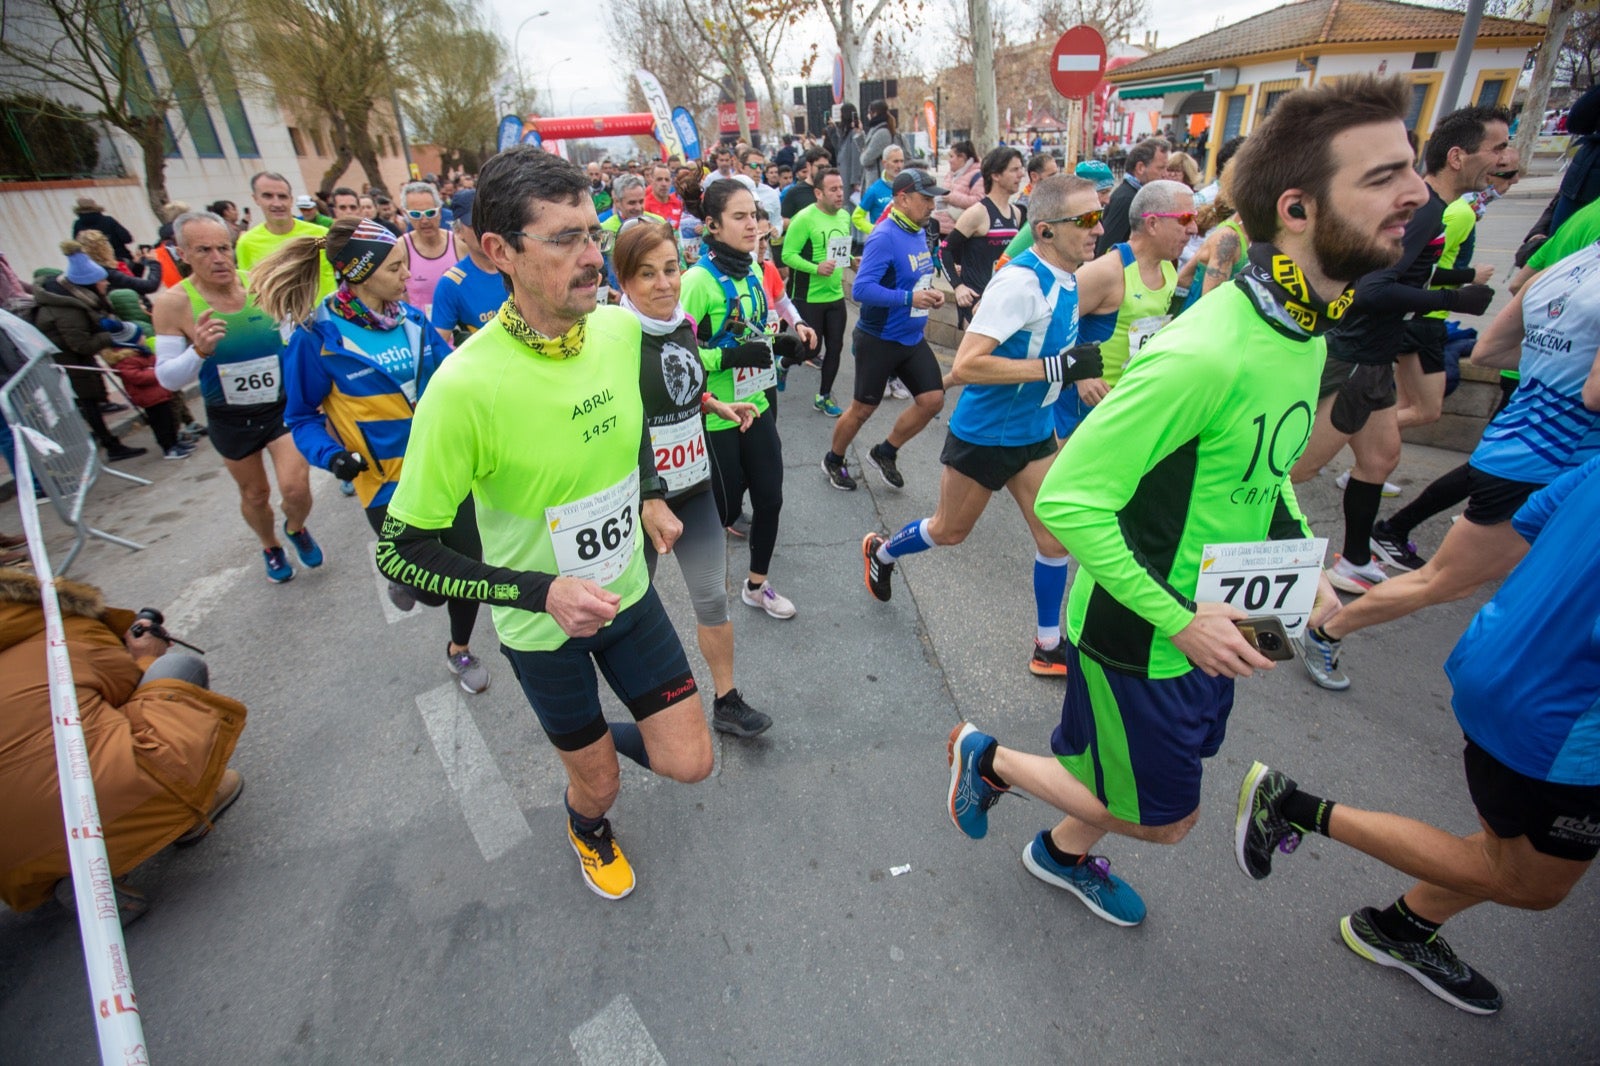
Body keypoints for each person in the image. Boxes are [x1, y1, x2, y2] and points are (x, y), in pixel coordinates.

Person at [942, 75, 1422, 928]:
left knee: (1144, 770)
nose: (1416, 195)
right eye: (1383, 177)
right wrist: (1178, 620)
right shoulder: (1208, 352)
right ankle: (990, 760)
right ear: (1298, 209)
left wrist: (1302, 564)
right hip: (1147, 630)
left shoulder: (1305, 329)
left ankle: (1059, 851)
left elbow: (1264, 470)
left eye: (1411, 169)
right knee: (1168, 818)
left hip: (1221, 618)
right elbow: (1076, 500)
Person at [374, 146, 714, 899]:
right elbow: (400, 555)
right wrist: (540, 592)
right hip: (543, 628)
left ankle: (592, 744)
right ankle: (585, 817)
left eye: (592, 233)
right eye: (564, 240)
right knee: (599, 789)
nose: (593, 258)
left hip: (628, 595)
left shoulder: (621, 332)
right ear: (498, 250)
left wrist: (651, 492)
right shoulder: (463, 389)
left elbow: (631, 435)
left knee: (692, 762)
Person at [1240, 452, 1600, 1015]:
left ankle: (1402, 928)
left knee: (1506, 851)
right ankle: (1294, 807)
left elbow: (1534, 522)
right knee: (1532, 883)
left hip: (1501, 663)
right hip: (1562, 723)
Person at [1298, 237, 1600, 689]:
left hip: (1519, 442)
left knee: (1382, 462)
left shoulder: (1564, 267)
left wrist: (1553, 374)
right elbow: (1594, 394)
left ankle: (1357, 557)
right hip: (1550, 460)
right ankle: (1326, 627)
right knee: (1449, 581)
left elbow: (1488, 353)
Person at [863, 174, 1105, 678]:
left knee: (1055, 541)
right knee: (949, 532)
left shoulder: (1068, 277)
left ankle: (1047, 645)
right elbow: (971, 363)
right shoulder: (1020, 283)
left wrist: (1077, 375)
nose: (1097, 229)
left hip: (1035, 433)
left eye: (1099, 216)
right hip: (985, 435)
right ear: (1045, 230)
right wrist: (1058, 370)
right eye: (1085, 220)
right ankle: (883, 552)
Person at [249, 217, 489, 693]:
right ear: (359, 272)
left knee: (468, 566)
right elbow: (300, 417)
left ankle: (458, 651)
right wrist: (333, 458)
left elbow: (453, 383)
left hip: (446, 468)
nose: (408, 276)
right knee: (432, 589)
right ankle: (397, 573)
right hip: (384, 483)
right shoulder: (317, 337)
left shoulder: (413, 321)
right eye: (396, 267)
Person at [1289, 105, 1509, 595]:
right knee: (1297, 471)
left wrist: (1457, 277)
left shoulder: (1432, 208)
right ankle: (1233, 556)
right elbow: (1372, 289)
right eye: (1497, 147)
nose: (1504, 157)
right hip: (1356, 357)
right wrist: (1453, 299)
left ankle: (1356, 558)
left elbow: (1403, 271)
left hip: (1378, 355)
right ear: (1458, 156)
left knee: (1381, 458)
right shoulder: (1428, 209)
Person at [0, 567, 247, 924]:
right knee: (176, 670)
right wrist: (147, 653)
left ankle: (71, 871)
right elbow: (131, 685)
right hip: (107, 800)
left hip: (13, 866)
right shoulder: (60, 627)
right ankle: (187, 814)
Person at [613, 221, 772, 736]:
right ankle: (639, 715)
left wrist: (714, 403)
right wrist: (646, 495)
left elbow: (683, 384)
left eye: (671, 269)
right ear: (624, 281)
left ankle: (726, 701)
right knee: (626, 609)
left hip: (693, 486)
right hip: (642, 501)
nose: (664, 284)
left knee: (712, 598)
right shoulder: (615, 339)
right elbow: (619, 422)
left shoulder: (678, 322)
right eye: (647, 275)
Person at [153, 212, 324, 583]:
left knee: (296, 487)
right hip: (230, 417)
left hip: (280, 408)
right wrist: (196, 352)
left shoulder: (259, 286)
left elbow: (294, 336)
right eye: (203, 250)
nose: (218, 258)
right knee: (256, 493)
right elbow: (167, 378)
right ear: (182, 253)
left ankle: (295, 527)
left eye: (223, 247)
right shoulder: (174, 303)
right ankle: (270, 545)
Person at [683, 179, 808, 620]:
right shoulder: (697, 282)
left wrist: (781, 344)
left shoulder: (754, 269)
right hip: (717, 418)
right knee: (726, 508)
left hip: (757, 405)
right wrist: (729, 356)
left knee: (770, 498)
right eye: (739, 217)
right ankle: (708, 591)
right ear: (713, 226)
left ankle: (757, 585)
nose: (752, 224)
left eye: (753, 215)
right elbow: (677, 354)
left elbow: (757, 329)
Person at [826, 169, 948, 492]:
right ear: (902, 199)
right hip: (879, 339)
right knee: (863, 408)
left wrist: (929, 294)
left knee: (933, 400)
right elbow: (862, 290)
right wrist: (910, 297)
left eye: (934, 198)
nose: (932, 205)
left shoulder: (920, 230)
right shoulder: (884, 236)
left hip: (910, 338)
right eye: (926, 198)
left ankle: (885, 452)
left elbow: (914, 277)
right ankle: (834, 459)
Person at [1053, 180, 1193, 439]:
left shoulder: (1168, 269)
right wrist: (1080, 374)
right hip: (1082, 409)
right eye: (1185, 219)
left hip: (1127, 405)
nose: (1193, 229)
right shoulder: (1107, 271)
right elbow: (1051, 323)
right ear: (1152, 223)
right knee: (1058, 480)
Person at [30, 245, 147, 461]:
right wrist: (110, 336)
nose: (106, 283)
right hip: (66, 362)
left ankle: (104, 442)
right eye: (102, 280)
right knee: (88, 402)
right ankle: (110, 445)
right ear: (90, 284)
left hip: (71, 359)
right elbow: (80, 344)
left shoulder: (74, 298)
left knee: (90, 401)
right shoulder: (68, 308)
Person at [782, 167, 856, 418]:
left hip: (835, 295)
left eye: (841, 188)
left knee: (835, 348)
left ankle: (823, 397)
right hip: (808, 296)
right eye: (833, 190)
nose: (839, 194)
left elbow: (839, 250)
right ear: (818, 193)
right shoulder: (804, 219)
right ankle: (783, 363)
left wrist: (850, 260)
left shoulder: (845, 216)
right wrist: (816, 267)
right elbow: (787, 255)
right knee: (812, 351)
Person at [945, 147, 1026, 330]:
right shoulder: (977, 213)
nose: (1021, 175)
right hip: (976, 301)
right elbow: (945, 250)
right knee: (974, 358)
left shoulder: (1016, 213)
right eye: (1014, 170)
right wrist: (958, 287)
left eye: (1021, 169)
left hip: (1002, 299)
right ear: (995, 175)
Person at [236, 172, 338, 296]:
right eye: (268, 196)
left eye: (282, 196)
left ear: (291, 199)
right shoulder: (246, 243)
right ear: (256, 199)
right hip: (278, 314)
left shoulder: (321, 234)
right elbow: (252, 291)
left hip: (325, 313)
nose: (277, 203)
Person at [429, 191, 503, 348]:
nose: (484, 230)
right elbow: (437, 345)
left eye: (488, 221)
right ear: (458, 231)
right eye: (474, 224)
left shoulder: (521, 265)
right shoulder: (451, 284)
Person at [1096, 137, 1170, 256]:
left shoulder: (1135, 195)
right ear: (1140, 168)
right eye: (1161, 168)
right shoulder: (1127, 199)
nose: (1166, 174)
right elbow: (1106, 250)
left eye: (1167, 168)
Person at [399, 181, 461, 315]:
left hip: (461, 329)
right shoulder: (401, 248)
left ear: (439, 211)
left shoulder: (458, 244)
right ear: (406, 214)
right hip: (424, 330)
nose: (425, 220)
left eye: (430, 213)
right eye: (416, 214)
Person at [70, 196, 136, 265]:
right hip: (120, 260)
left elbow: (76, 246)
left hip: (94, 264)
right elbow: (127, 239)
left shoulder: (77, 224)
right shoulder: (108, 220)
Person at [941, 140, 984, 233]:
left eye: (951, 156)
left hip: (961, 231)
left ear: (962, 157)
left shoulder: (977, 175)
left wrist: (952, 198)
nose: (949, 160)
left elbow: (979, 202)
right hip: (943, 229)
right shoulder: (951, 174)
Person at [858, 145, 904, 229]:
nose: (899, 166)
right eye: (895, 161)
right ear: (884, 163)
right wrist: (873, 230)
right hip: (883, 240)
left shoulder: (908, 187)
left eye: (901, 161)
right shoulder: (874, 189)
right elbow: (857, 217)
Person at [643, 164, 684, 229]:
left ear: (671, 182)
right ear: (652, 181)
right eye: (659, 179)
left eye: (667, 180)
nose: (664, 184)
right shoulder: (645, 205)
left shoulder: (677, 203)